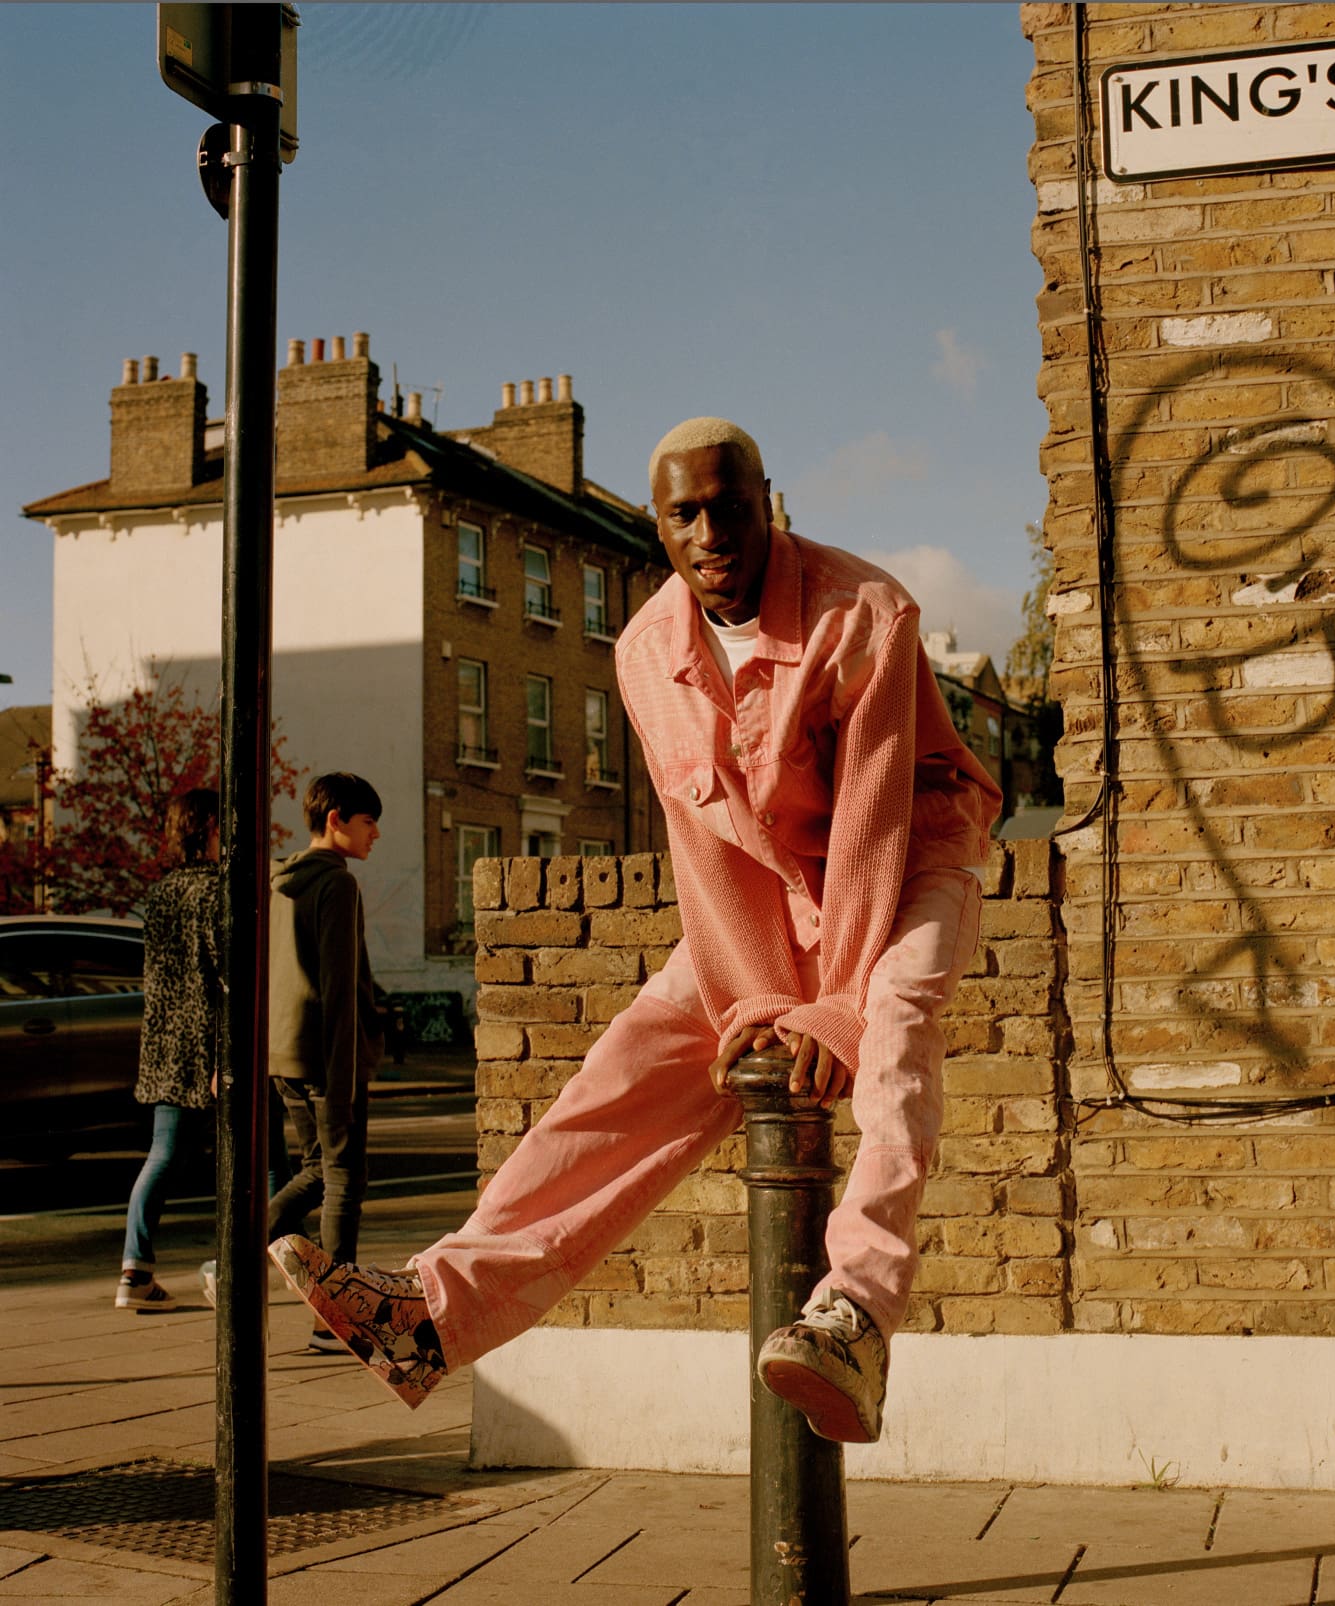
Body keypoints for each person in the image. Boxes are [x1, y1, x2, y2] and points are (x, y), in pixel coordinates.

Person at [269, 418, 1001, 1443]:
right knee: (618, 1074)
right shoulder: (647, 649)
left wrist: (832, 1008)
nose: (710, 534)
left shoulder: (865, 613)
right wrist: (752, 997)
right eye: (683, 515)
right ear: (658, 525)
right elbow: (706, 854)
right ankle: (429, 1315)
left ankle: (855, 1317)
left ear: (766, 501)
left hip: (915, 853)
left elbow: (873, 822)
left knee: (895, 1020)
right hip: (765, 891)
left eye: (729, 507)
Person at [264, 771, 385, 1351]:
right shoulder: (336, 886)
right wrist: (344, 1082)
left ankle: (235, 1258)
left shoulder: (278, 881)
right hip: (327, 1057)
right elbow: (340, 989)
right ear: (335, 819)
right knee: (342, 1179)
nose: (376, 834)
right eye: (367, 821)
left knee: (317, 1170)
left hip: (286, 1054)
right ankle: (333, 1318)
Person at [116, 788, 223, 1309]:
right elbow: (229, 979)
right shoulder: (219, 890)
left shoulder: (159, 894)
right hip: (212, 1048)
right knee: (267, 1164)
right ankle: (243, 1270)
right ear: (211, 830)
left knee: (162, 1155)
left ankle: (135, 1270)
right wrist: (227, 1053)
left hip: (165, 1043)